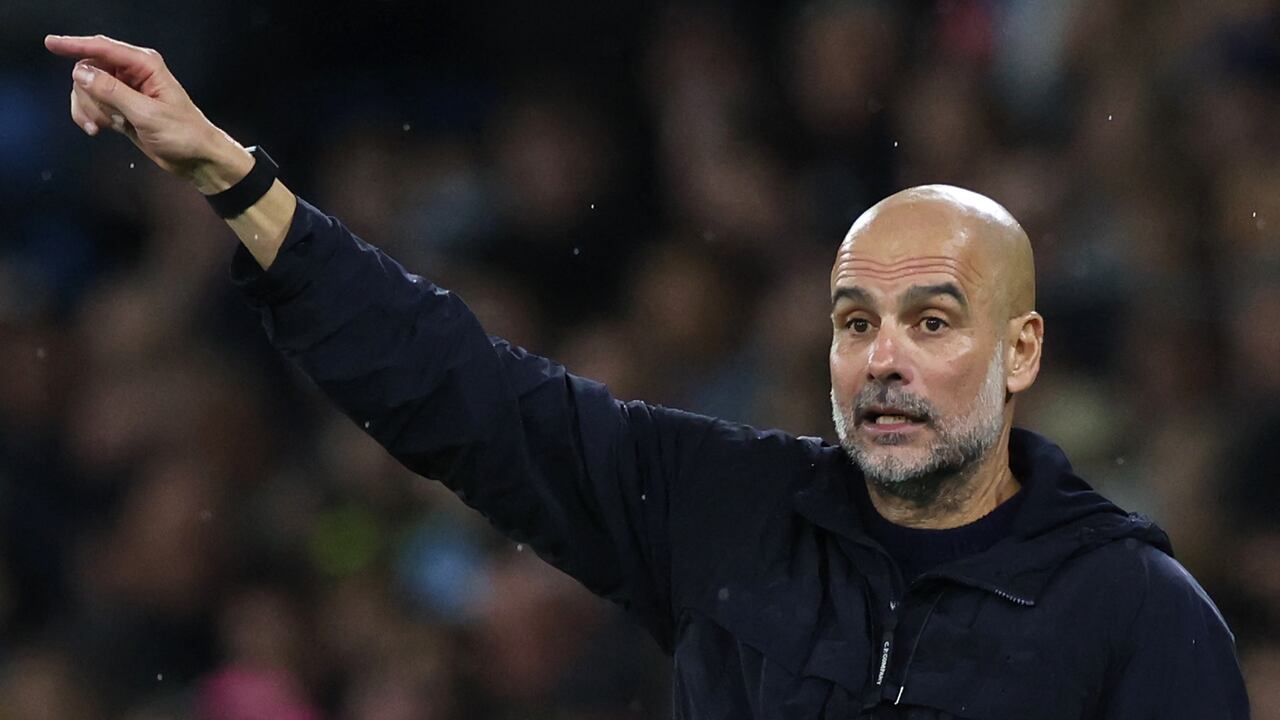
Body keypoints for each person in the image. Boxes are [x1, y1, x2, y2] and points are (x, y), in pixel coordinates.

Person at [45, 34, 1250, 719]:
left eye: (931, 321)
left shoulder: (1133, 617)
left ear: (1021, 351)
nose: (881, 357)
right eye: (853, 321)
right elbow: (464, 395)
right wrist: (235, 183)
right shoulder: (723, 512)